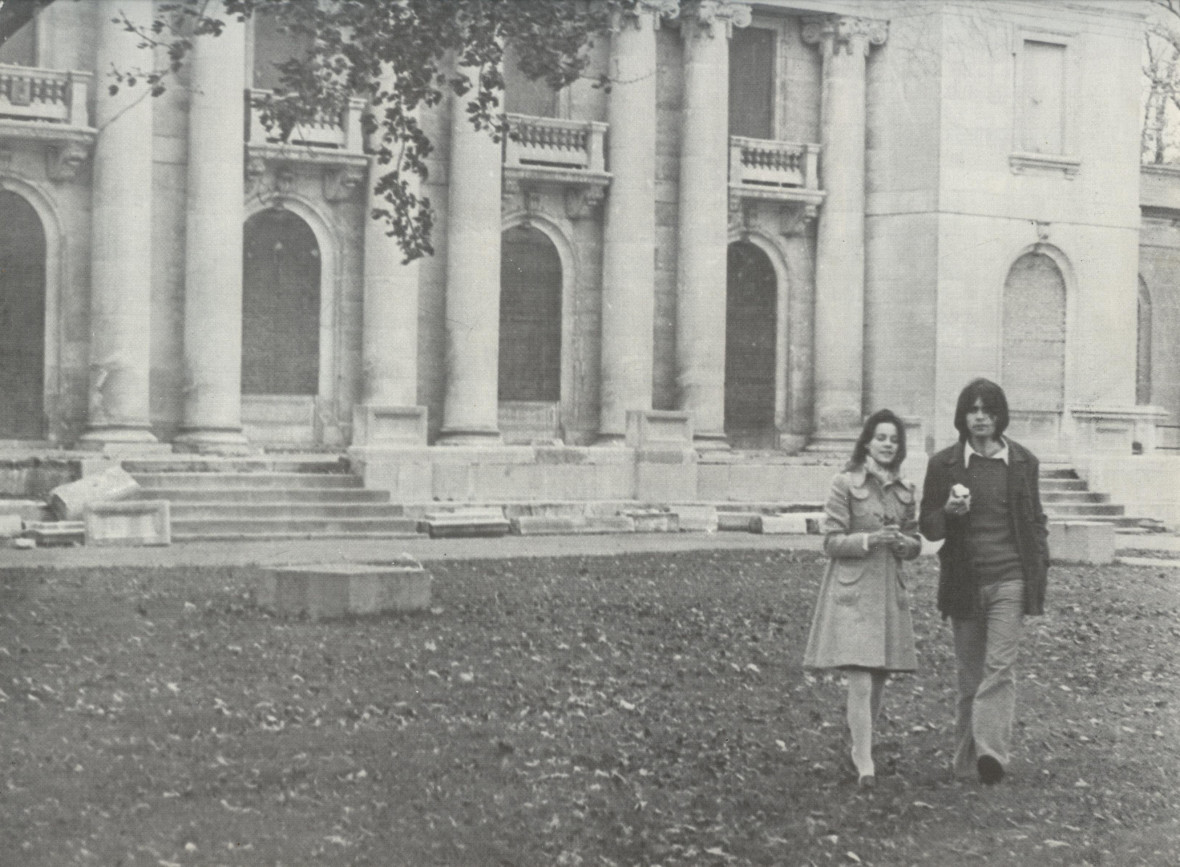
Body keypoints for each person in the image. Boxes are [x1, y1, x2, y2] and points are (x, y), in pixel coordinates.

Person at [919, 378, 1049, 786]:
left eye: (987, 411)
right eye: (972, 410)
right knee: (970, 676)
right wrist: (948, 511)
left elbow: (1036, 521)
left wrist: (1038, 564)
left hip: (1010, 578)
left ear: (999, 416)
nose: (979, 418)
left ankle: (991, 755)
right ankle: (965, 761)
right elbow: (928, 526)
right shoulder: (944, 464)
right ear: (963, 417)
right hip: (964, 581)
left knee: (1000, 668)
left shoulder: (1024, 462)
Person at [803, 409, 923, 789]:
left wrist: (905, 544)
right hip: (852, 591)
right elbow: (831, 541)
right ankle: (864, 760)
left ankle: (861, 744)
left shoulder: (906, 491)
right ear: (867, 442)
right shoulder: (845, 483)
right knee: (860, 677)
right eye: (881, 438)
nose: (888, 445)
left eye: (894, 440)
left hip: (888, 589)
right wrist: (871, 540)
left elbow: (915, 540)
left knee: (879, 676)